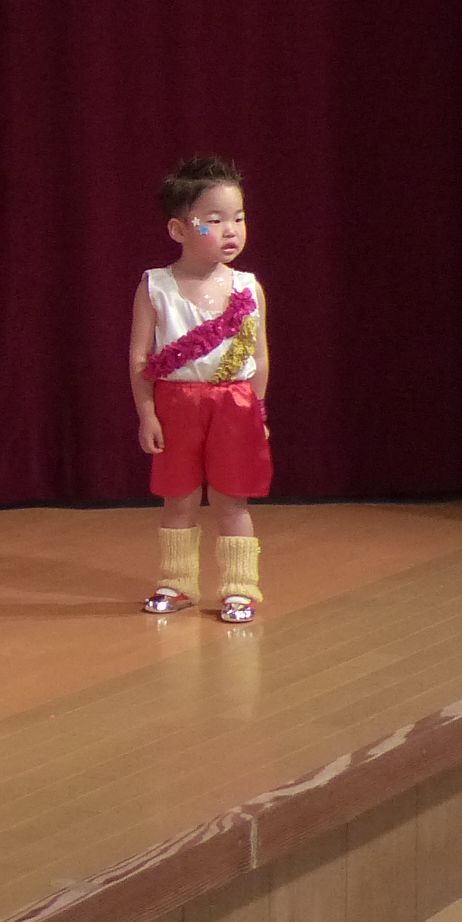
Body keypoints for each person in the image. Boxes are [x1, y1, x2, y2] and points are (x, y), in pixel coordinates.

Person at [130, 155, 270, 624]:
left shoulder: (248, 287)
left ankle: (240, 587)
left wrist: (257, 413)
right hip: (177, 404)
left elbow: (259, 358)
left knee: (232, 498)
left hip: (234, 405)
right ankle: (177, 582)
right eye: (214, 220)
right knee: (179, 497)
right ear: (178, 230)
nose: (231, 230)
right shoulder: (156, 286)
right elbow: (139, 359)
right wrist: (147, 414)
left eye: (239, 218)